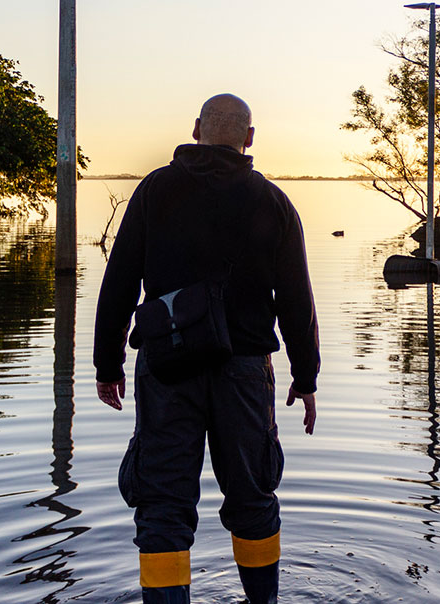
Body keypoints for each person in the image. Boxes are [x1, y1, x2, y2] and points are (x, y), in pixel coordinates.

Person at [94, 93, 320, 604]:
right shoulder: (273, 203)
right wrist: (305, 378)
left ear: (196, 129)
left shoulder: (155, 190)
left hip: (167, 368)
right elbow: (296, 299)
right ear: (249, 138)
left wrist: (108, 364)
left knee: (162, 506)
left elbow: (119, 282)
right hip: (243, 370)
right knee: (253, 498)